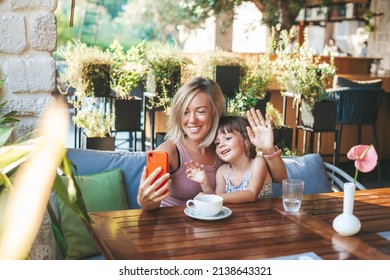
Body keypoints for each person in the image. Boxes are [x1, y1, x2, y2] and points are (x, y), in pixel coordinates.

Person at [137, 77, 287, 210]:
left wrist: (268, 149)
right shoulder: (169, 150)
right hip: (174, 228)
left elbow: (279, 178)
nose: (192, 120)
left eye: (200, 111)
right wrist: (145, 201)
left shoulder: (224, 147)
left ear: (215, 113)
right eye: (185, 112)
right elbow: (151, 201)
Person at [185, 115, 273, 203]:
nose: (221, 144)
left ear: (247, 140)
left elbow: (251, 194)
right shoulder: (223, 172)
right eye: (217, 143)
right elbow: (217, 202)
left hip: (265, 216)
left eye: (227, 138)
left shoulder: (258, 163)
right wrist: (204, 182)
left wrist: (213, 197)